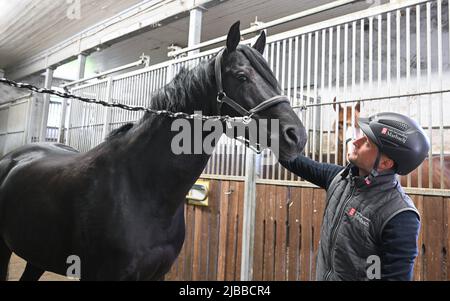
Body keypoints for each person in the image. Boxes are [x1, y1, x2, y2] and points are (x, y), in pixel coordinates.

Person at [279, 112, 429, 281]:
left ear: (385, 163)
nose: (355, 142)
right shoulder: (340, 178)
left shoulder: (400, 215)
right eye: (362, 136)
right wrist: (261, 133)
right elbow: (293, 160)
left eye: (367, 143)